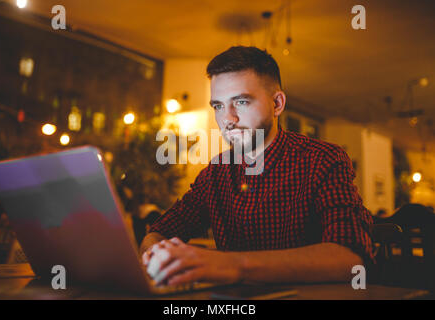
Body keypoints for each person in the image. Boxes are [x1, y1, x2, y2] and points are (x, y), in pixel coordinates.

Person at [140, 46, 374, 286]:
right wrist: (157, 257)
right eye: (218, 106)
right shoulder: (216, 172)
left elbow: (350, 259)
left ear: (277, 104)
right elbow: (157, 233)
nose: (227, 119)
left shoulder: (323, 160)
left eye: (241, 102)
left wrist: (229, 264)